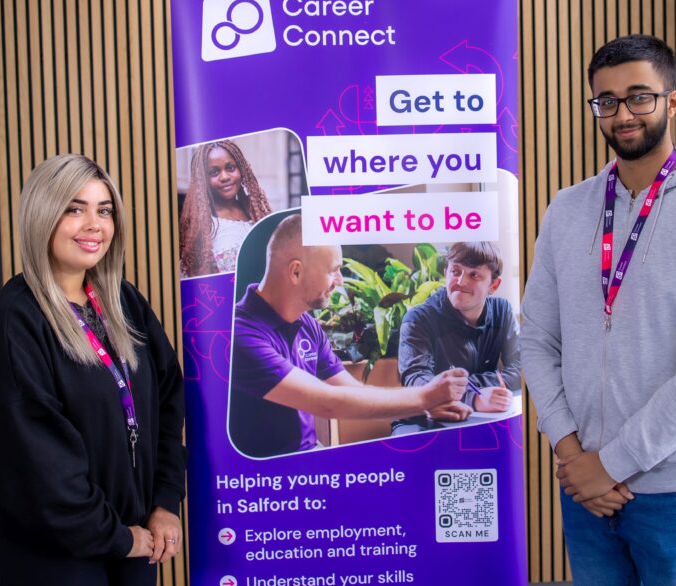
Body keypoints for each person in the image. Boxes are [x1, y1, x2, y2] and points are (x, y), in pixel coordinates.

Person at [519, 35, 676, 586]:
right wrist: (571, 452)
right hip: (585, 485)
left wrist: (610, 464)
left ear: (672, 101)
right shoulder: (567, 210)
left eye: (639, 97)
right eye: (606, 101)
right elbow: (536, 338)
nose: (623, 114)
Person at [0, 155, 186, 586]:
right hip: (55, 558)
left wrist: (164, 500)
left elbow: (166, 399)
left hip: (133, 541)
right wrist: (117, 537)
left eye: (104, 210)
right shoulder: (11, 326)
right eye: (74, 209)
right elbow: (34, 465)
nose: (94, 225)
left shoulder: (123, 302)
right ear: (42, 215)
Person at [229, 214, 470, 457]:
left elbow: (351, 390)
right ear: (296, 272)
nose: (340, 281)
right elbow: (328, 403)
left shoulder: (307, 325)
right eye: (333, 270)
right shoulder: (240, 335)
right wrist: (424, 397)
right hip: (264, 474)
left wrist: (423, 406)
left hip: (308, 459)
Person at [392, 241, 522, 433]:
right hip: (422, 424)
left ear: (493, 285)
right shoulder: (419, 318)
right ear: (446, 273)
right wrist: (474, 398)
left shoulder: (502, 312)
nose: (461, 282)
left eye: (474, 275)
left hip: (482, 420)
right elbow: (417, 381)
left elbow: (524, 366)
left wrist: (477, 389)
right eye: (455, 271)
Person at [179, 139, 272, 277]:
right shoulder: (202, 225)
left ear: (241, 169)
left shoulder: (254, 212)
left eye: (230, 168)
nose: (224, 177)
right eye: (214, 172)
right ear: (203, 180)